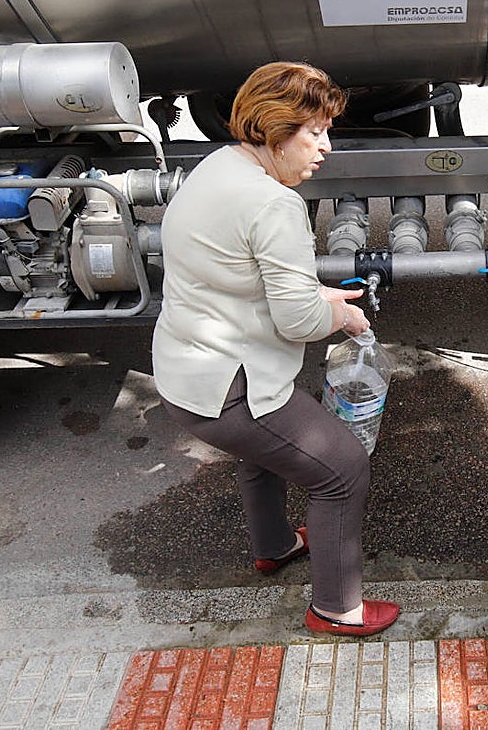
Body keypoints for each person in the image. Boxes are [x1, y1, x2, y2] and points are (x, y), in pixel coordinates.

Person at [152, 61, 399, 637]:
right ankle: (337, 609)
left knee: (265, 453)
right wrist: (339, 312)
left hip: (186, 372)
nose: (325, 148)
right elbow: (298, 320)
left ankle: (275, 545)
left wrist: (313, 291)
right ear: (272, 128)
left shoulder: (217, 166)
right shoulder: (275, 204)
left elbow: (236, 271)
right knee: (341, 469)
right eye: (313, 133)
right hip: (230, 390)